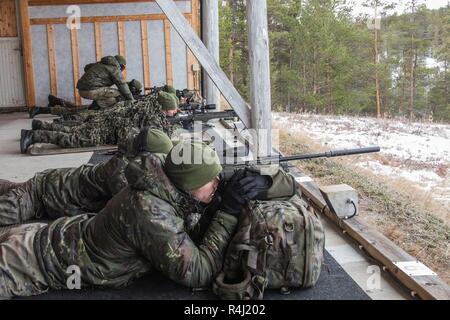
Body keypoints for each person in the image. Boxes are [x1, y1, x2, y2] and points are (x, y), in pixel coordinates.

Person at [0, 141, 296, 299]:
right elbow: (200, 272)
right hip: (37, 259)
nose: (219, 183)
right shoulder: (150, 211)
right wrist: (228, 211)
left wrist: (263, 182)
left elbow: (271, 181)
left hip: (56, 234)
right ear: (189, 185)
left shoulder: (166, 182)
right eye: (212, 182)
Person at [1, 128, 173, 226]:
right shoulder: (121, 174)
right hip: (41, 195)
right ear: (145, 155)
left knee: (14, 188)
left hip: (51, 186)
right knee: (9, 209)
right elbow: (138, 207)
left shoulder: (130, 159)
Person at [19, 93, 172, 153]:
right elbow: (128, 131)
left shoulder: (147, 106)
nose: (175, 112)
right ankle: (33, 136)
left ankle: (41, 126)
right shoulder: (151, 115)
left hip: (104, 121)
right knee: (75, 139)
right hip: (105, 129)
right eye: (173, 109)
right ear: (165, 107)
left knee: (73, 131)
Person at [29, 79, 144, 119]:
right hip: (95, 110)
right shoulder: (117, 94)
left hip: (96, 109)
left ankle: (57, 102)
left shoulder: (120, 95)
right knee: (69, 112)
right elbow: (101, 97)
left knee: (74, 108)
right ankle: (39, 110)